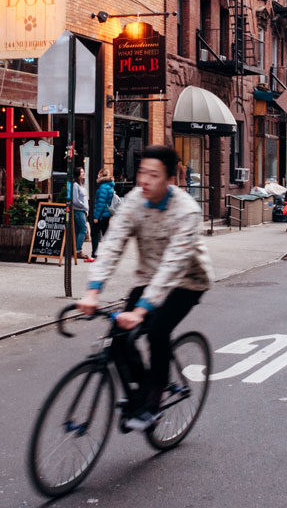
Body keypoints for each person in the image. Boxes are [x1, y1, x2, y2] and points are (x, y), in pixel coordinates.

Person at [77, 145, 213, 430]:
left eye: (153, 175)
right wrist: (93, 289)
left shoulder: (186, 212)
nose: (144, 181)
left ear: (170, 179)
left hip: (187, 281)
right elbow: (113, 244)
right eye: (142, 173)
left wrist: (140, 311)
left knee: (158, 331)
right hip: (149, 277)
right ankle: (140, 392)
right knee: (118, 338)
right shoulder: (134, 201)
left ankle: (154, 398)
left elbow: (172, 267)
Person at [66, 166, 91, 262]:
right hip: (78, 210)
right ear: (78, 174)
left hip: (82, 210)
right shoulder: (75, 185)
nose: (83, 173)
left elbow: (83, 198)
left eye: (83, 171)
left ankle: (76, 250)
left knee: (77, 230)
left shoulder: (81, 184)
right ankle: (78, 250)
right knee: (83, 230)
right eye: (81, 172)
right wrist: (84, 207)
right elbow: (75, 200)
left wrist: (86, 208)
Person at [91, 168, 116, 258]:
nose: (97, 175)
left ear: (102, 175)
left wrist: (96, 217)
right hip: (106, 215)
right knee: (105, 234)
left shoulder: (103, 187)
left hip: (101, 215)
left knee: (94, 233)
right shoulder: (109, 186)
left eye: (99, 174)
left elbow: (101, 204)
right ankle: (108, 253)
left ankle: (95, 253)